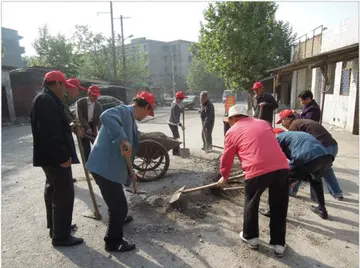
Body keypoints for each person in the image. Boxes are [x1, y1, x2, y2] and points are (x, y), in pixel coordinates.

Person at [217, 104, 290, 257]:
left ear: (232, 118)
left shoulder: (232, 131)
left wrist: (224, 175)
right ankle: (279, 244)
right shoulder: (264, 123)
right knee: (279, 206)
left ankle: (251, 238)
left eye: (228, 120)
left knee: (251, 202)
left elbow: (227, 156)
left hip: (256, 170)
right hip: (282, 167)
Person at [86, 91, 155, 253]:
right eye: (148, 112)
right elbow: (105, 116)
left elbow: (128, 152)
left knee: (118, 204)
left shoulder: (131, 121)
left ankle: (120, 219)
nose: (146, 116)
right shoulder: (123, 111)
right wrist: (122, 138)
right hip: (103, 169)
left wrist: (131, 173)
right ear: (144, 106)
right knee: (119, 207)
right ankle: (113, 242)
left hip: (109, 168)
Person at [30, 71, 83, 247]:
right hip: (55, 157)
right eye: (64, 87)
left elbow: (52, 125)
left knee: (53, 190)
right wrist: (63, 156)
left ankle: (57, 227)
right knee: (64, 194)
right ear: (58, 84)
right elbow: (50, 133)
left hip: (49, 156)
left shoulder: (45, 99)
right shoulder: (46, 101)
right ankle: (61, 237)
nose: (65, 91)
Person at [262, 128, 333, 219]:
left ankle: (271, 210)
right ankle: (322, 209)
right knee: (316, 181)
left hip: (307, 157)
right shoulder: (295, 136)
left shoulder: (278, 138)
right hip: (326, 158)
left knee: (280, 181)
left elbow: (275, 159)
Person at [277, 110, 344, 200]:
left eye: (282, 121)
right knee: (325, 170)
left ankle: (302, 194)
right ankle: (337, 193)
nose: (282, 124)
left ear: (287, 119)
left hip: (322, 146)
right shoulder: (301, 121)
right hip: (332, 145)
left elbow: (298, 157)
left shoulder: (293, 126)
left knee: (306, 167)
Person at [76, 85, 103, 161]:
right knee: (86, 148)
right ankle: (87, 164)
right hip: (83, 127)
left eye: (96, 96)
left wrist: (101, 131)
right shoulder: (80, 102)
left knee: (97, 145)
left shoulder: (98, 105)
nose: (95, 98)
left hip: (93, 126)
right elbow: (80, 117)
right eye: (93, 95)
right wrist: (87, 127)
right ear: (88, 94)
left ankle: (97, 163)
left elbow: (99, 120)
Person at [167, 91, 186, 156]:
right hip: (173, 123)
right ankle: (175, 151)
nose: (182, 100)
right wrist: (181, 125)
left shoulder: (174, 102)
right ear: (178, 99)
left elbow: (179, 110)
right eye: (182, 99)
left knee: (176, 137)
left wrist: (181, 109)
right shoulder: (175, 106)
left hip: (172, 122)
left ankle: (176, 150)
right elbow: (176, 117)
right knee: (176, 137)